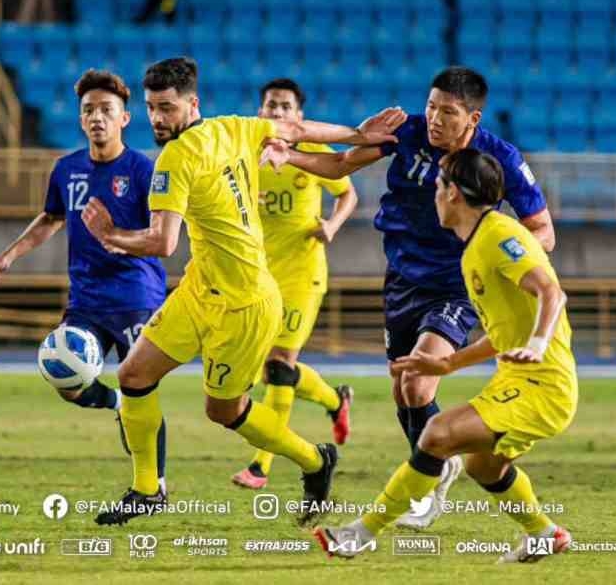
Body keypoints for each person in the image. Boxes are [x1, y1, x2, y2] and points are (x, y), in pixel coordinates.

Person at [79, 57, 403, 526]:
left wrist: (110, 236)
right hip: (200, 288)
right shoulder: (234, 127)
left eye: (166, 107)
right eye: (150, 108)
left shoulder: (175, 159)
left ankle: (315, 459)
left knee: (224, 410)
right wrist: (356, 133)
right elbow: (295, 127)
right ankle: (148, 489)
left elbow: (161, 242)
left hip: (246, 303)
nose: (157, 118)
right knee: (132, 377)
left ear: (193, 103)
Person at [261, 66, 555, 528]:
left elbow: (544, 231)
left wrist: (500, 251)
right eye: (432, 105)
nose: (435, 118)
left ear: (473, 118)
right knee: (404, 387)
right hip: (402, 277)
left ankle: (430, 480)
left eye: (449, 112)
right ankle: (440, 462)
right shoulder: (408, 133)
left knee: (419, 382)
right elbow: (340, 165)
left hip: (457, 283)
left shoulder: (498, 158)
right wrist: (290, 157)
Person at [314, 148, 576, 563]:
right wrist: (448, 364)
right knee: (482, 467)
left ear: (454, 193)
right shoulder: (475, 247)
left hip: (544, 386)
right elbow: (502, 332)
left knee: (436, 433)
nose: (433, 193)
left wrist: (540, 343)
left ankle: (359, 533)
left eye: (438, 185)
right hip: (517, 380)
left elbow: (551, 292)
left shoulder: (499, 236)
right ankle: (544, 533)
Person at [0, 69, 168, 490]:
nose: (97, 117)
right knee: (64, 378)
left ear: (124, 118)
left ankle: (156, 483)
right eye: (89, 111)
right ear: (81, 120)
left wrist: (121, 239)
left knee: (145, 388)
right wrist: (9, 255)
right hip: (85, 298)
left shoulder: (144, 170)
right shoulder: (66, 170)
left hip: (136, 295)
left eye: (106, 109)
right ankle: (115, 402)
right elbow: (50, 218)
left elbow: (162, 233)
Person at [231, 78, 359, 490]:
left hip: (303, 272)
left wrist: (333, 225)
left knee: (279, 368)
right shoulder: (246, 153)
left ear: (299, 117)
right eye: (271, 105)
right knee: (268, 372)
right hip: (259, 273)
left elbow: (348, 194)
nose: (278, 113)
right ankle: (335, 400)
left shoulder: (315, 153)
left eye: (286, 107)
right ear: (260, 112)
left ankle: (260, 466)